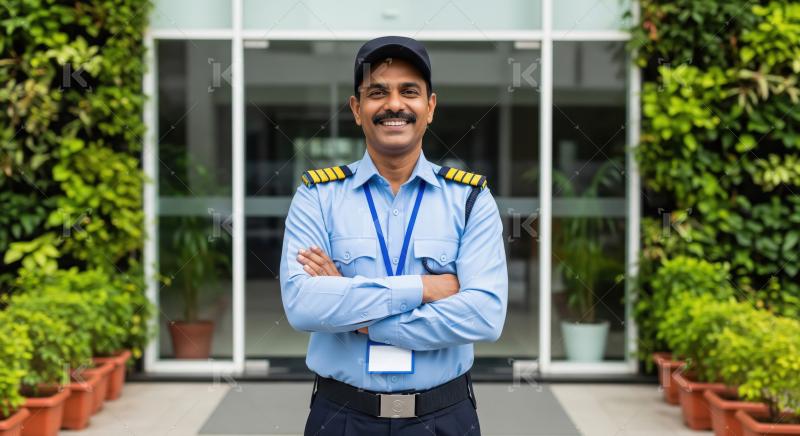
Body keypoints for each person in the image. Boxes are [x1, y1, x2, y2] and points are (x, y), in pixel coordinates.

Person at [279, 35, 508, 436]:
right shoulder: (317, 197)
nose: (394, 105)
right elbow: (303, 305)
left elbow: (485, 315)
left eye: (409, 91)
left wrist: (361, 317)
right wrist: (424, 287)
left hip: (443, 417)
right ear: (356, 108)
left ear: (430, 107)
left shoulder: (470, 199)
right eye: (377, 92)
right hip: (342, 416)